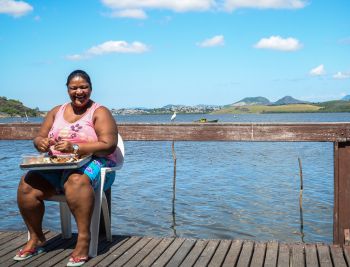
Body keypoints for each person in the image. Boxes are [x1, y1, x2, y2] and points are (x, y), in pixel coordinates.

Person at [14, 70, 118, 266]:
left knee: (76, 181)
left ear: (91, 88)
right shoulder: (56, 111)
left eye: (83, 87)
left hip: (96, 163)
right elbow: (39, 137)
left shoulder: (99, 111)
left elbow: (109, 145)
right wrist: (40, 143)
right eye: (74, 88)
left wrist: (76, 147)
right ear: (68, 90)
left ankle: (83, 240)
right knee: (27, 185)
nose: (79, 91)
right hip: (58, 166)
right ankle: (36, 237)